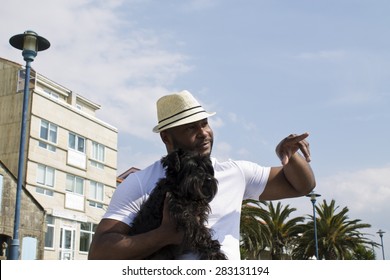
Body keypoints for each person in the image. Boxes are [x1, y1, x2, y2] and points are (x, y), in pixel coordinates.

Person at [88, 90, 316, 260]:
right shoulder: (138, 183)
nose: (203, 133)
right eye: (190, 128)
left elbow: (302, 186)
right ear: (166, 137)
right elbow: (99, 253)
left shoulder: (236, 173)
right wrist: (164, 235)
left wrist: (288, 156)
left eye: (204, 123)